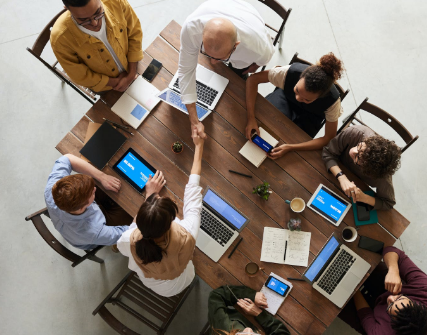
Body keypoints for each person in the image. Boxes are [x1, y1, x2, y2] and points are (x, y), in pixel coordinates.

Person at [117, 128, 204, 297]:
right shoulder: (187, 233)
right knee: (190, 268)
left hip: (156, 285)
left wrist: (149, 196)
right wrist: (199, 146)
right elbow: (193, 192)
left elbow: (131, 233)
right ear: (171, 222)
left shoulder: (129, 239)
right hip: (181, 280)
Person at [179, 0, 275, 139]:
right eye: (207, 53)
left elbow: (263, 60)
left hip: (247, 17)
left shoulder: (258, 48)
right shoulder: (190, 28)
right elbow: (185, 71)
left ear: (236, 46)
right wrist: (194, 120)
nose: (212, 62)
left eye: (220, 58)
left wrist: (255, 65)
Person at [245, 52, 345, 158]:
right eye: (297, 90)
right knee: (265, 122)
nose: (298, 98)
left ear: (320, 97)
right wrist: (251, 118)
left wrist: (291, 147)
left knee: (293, 141)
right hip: (285, 98)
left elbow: (328, 137)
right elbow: (252, 80)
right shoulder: (289, 72)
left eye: (306, 99)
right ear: (300, 77)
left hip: (312, 116)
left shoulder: (332, 102)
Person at [338, 246, 427, 335]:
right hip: (386, 287)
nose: (390, 297)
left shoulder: (383, 332)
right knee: (366, 259)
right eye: (400, 297)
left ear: (393, 322)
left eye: (390, 305)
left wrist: (354, 287)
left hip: (373, 318)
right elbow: (391, 250)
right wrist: (393, 270)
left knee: (337, 302)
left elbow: (365, 314)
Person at [51, 0, 143, 92]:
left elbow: (135, 32)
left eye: (98, 12)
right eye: (84, 20)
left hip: (134, 64)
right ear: (67, 9)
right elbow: (79, 75)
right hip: (108, 87)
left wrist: (131, 74)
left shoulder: (116, 2)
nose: (95, 23)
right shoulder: (60, 39)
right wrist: (117, 82)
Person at [44, 154, 132, 250]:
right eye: (92, 193)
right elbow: (129, 234)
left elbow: (67, 158)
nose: (94, 189)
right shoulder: (94, 232)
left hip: (74, 224)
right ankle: (115, 247)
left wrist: (102, 177)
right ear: (82, 207)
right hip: (94, 235)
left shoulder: (54, 189)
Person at [322, 125, 401, 210]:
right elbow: (328, 152)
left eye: (358, 158)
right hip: (329, 171)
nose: (353, 151)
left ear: (368, 170)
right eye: (359, 146)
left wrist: (364, 198)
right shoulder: (355, 133)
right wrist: (341, 177)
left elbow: (388, 203)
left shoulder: (382, 177)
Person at [209, 285, 290, 335]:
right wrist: (259, 314)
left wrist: (251, 295)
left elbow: (216, 296)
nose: (249, 330)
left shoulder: (222, 328)